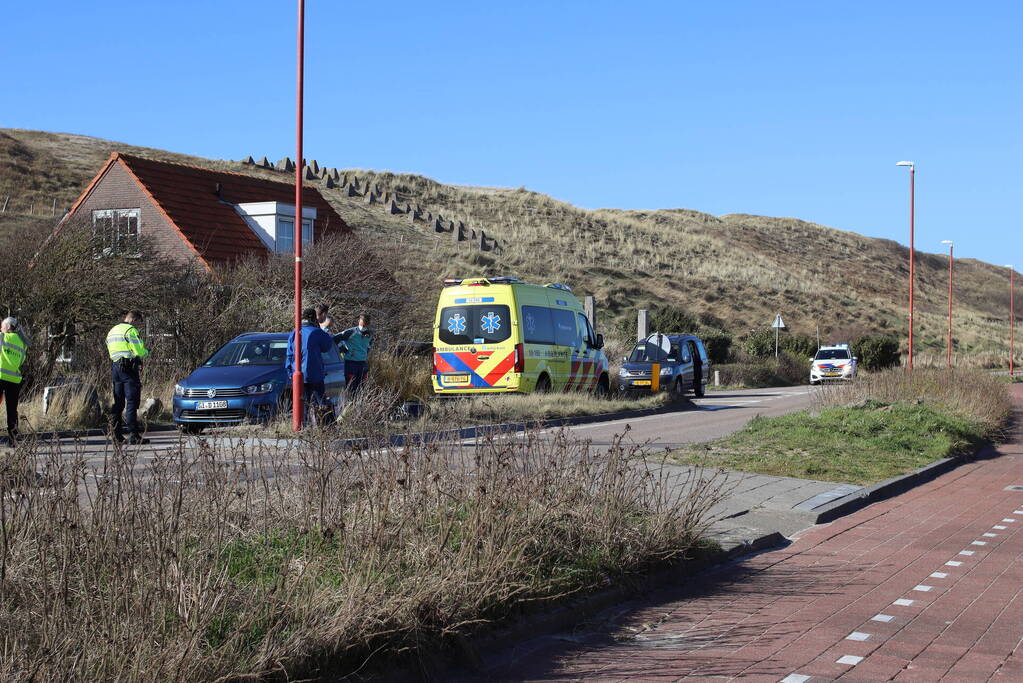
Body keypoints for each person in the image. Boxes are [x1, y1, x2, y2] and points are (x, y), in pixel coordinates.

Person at [286, 307, 336, 426]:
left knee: (302, 404)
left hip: (298, 374)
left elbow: (289, 353)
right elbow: (327, 347)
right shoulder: (317, 332)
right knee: (320, 402)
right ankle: (325, 426)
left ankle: (303, 426)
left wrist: (290, 372)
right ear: (314, 318)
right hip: (315, 373)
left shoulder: (294, 332)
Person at [106, 310, 149, 445]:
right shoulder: (130, 330)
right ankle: (133, 434)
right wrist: (146, 352)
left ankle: (116, 434)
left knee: (118, 402)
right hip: (129, 369)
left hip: (115, 368)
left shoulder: (113, 330)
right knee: (131, 401)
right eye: (138, 323)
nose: (137, 326)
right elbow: (139, 350)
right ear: (133, 319)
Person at [0, 317, 28, 445]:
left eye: (2, 325)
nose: (1, 327)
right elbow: (21, 361)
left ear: (8, 327)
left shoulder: (2, 337)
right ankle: (13, 440)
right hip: (14, 380)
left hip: (0, 377)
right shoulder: (23, 343)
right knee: (12, 410)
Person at [335, 313, 373, 396]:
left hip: (362, 364)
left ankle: (358, 407)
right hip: (351, 363)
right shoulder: (351, 331)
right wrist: (342, 349)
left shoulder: (370, 334)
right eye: (363, 320)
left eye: (366, 321)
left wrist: (366, 353)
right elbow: (335, 338)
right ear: (359, 320)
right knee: (351, 388)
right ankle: (350, 406)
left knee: (361, 389)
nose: (364, 322)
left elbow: (369, 345)